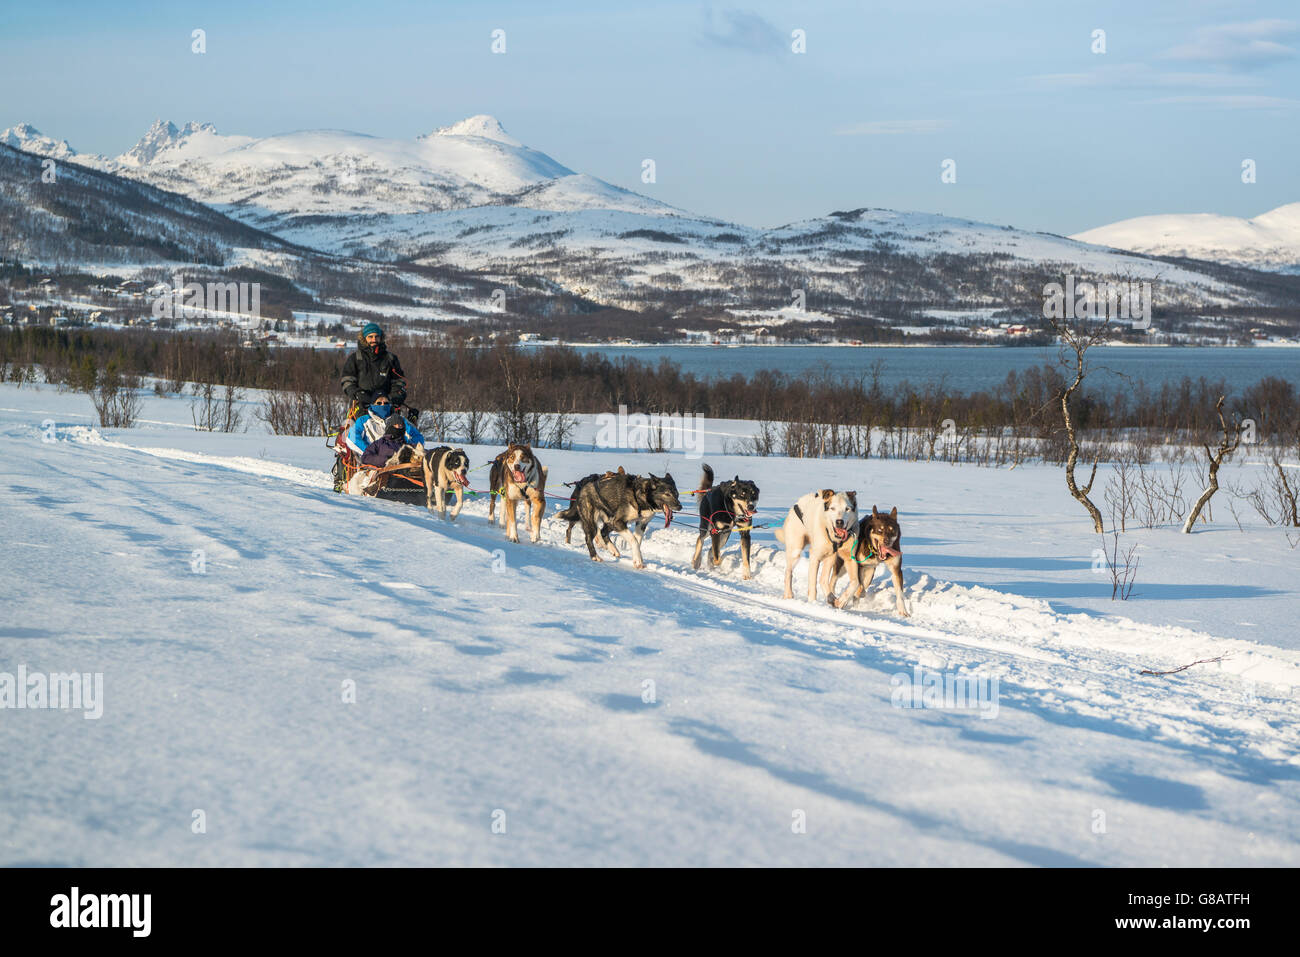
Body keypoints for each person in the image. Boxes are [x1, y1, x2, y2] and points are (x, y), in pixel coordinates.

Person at [341, 323, 408, 413]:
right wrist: (357, 393)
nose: (374, 339)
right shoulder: (356, 358)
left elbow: (399, 381)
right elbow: (347, 381)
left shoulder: (390, 358)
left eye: (377, 336)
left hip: (387, 406)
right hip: (362, 406)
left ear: (381, 338)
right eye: (370, 337)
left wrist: (395, 396)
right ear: (364, 338)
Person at [344, 392, 425, 456]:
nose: (382, 405)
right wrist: (369, 452)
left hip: (398, 459)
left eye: (386, 403)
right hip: (373, 461)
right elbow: (352, 439)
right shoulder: (363, 420)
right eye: (379, 403)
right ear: (372, 405)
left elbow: (418, 437)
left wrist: (407, 451)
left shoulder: (399, 420)